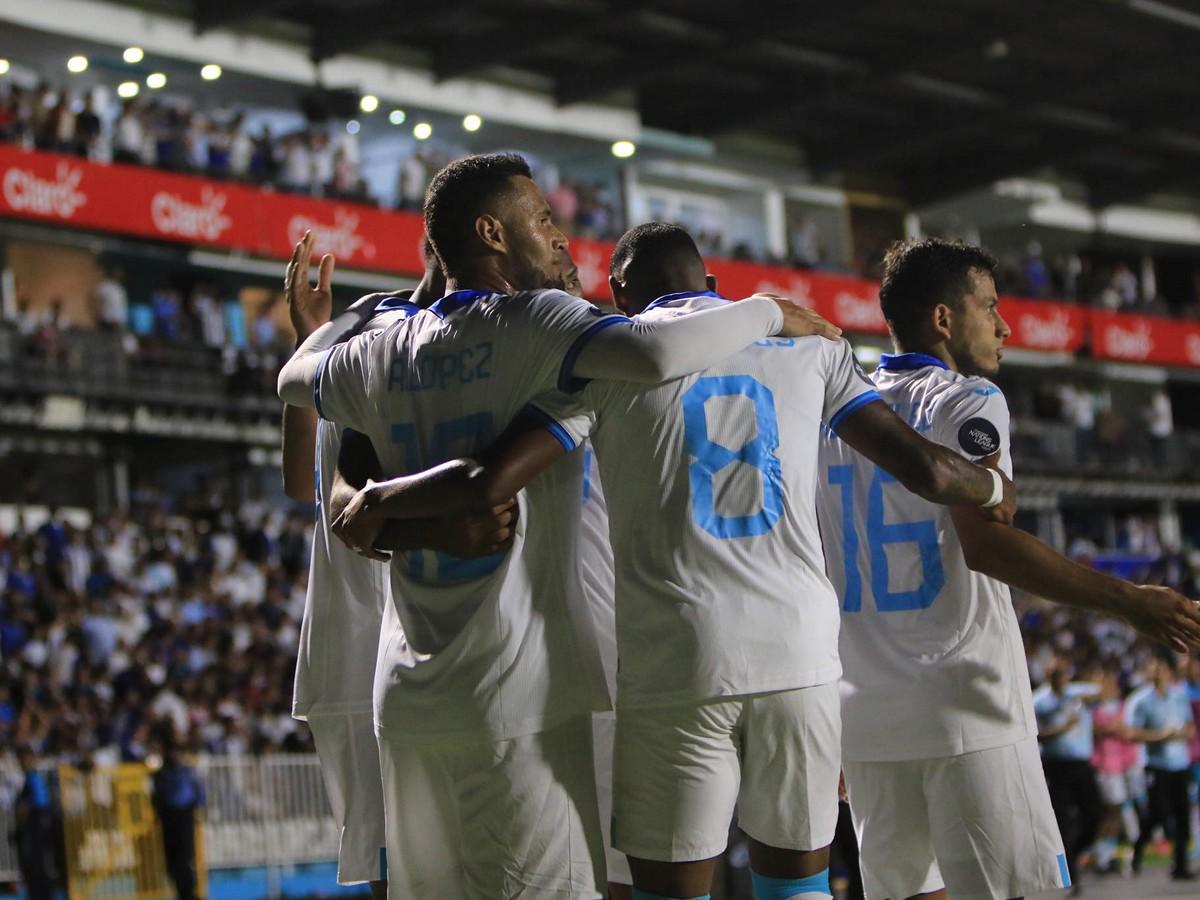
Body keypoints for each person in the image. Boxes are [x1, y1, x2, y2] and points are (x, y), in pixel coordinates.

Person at [335, 223, 1015, 900]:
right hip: (800, 658)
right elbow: (923, 468)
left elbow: (492, 478)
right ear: (712, 284)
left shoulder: (604, 365)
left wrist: (374, 503)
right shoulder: (812, 348)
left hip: (677, 660)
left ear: (620, 293)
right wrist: (992, 485)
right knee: (797, 887)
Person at [277, 153, 833, 898]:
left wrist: (372, 493)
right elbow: (655, 349)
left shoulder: (377, 345)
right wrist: (766, 309)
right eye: (542, 219)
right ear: (491, 233)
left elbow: (294, 380)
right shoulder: (535, 324)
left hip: (406, 695)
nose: (558, 237)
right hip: (518, 692)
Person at [814, 238, 1200, 900]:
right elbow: (987, 544)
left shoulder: (839, 416)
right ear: (943, 318)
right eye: (989, 307)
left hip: (867, 715)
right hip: (967, 703)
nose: (1005, 326)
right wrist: (1128, 600)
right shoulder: (967, 398)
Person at [1032, 660, 1102, 888]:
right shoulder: (1040, 701)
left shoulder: (1077, 694)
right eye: (1055, 674)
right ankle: (1069, 871)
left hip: (1082, 764)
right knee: (1062, 820)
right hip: (1056, 765)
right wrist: (1063, 727)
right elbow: (1037, 735)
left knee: (1094, 814)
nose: (1059, 678)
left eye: (1062, 674)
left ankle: (1079, 851)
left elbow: (1105, 691)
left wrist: (1086, 696)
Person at [1127, 656, 1196, 880]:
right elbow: (1132, 733)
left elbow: (1190, 727)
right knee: (1157, 813)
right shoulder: (1141, 700)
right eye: (1153, 671)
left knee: (1182, 813)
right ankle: (1137, 851)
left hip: (1180, 763)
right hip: (1156, 765)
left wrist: (1182, 734)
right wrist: (1160, 736)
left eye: (1161, 670)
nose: (1158, 675)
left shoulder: (1179, 696)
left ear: (1168, 673)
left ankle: (1180, 865)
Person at [151, 739, 205, 900]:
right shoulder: (161, 774)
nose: (175, 755)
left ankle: (189, 893)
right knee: (173, 859)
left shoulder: (188, 771)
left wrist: (197, 806)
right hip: (169, 816)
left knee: (185, 856)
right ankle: (182, 892)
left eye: (177, 751)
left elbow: (199, 791)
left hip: (184, 815)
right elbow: (157, 796)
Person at [14, 746, 55, 900]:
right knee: (32, 866)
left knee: (39, 865)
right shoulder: (28, 777)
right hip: (32, 828)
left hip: (36, 827)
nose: (22, 763)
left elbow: (39, 802)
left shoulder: (33, 776)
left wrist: (23, 810)